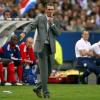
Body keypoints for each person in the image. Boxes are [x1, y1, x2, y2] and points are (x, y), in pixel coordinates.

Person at [20, 3, 61, 98]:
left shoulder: (56, 20)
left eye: (52, 9)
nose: (50, 11)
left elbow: (58, 33)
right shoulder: (40, 18)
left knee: (49, 71)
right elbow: (31, 25)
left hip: (51, 48)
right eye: (49, 9)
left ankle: (38, 87)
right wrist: (24, 32)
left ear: (54, 10)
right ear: (46, 10)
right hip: (41, 48)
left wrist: (52, 24)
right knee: (44, 72)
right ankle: (46, 93)